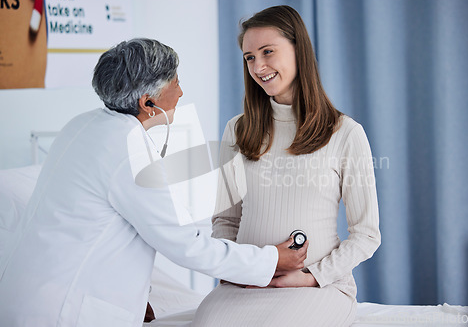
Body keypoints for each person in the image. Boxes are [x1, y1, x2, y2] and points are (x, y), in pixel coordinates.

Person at [0, 38, 308, 327]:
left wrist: (131, 294)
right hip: (63, 313)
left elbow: (86, 225)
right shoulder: (129, 150)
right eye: (176, 83)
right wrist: (271, 259)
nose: (181, 92)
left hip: (26, 297)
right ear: (148, 103)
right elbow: (186, 245)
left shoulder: (82, 124)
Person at [192, 5, 381, 326]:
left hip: (318, 287)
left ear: (298, 51)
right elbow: (225, 220)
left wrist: (310, 276)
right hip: (246, 284)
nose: (258, 66)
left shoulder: (345, 133)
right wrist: (236, 269)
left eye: (268, 52)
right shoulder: (237, 129)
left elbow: (366, 235)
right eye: (249, 57)